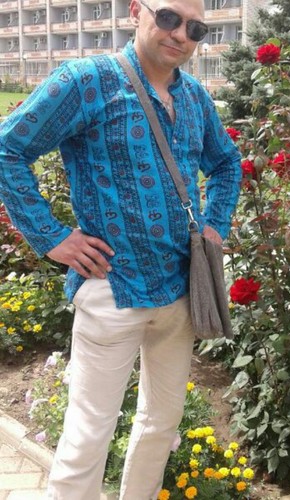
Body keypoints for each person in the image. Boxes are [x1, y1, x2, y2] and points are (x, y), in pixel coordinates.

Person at [0, 0, 242, 498]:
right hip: (113, 287)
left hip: (181, 294)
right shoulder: (86, 81)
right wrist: (52, 237)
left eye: (196, 28)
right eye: (169, 17)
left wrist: (216, 225)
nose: (181, 35)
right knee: (87, 435)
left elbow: (226, 162)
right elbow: (8, 149)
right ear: (137, 10)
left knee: (161, 425)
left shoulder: (194, 96)